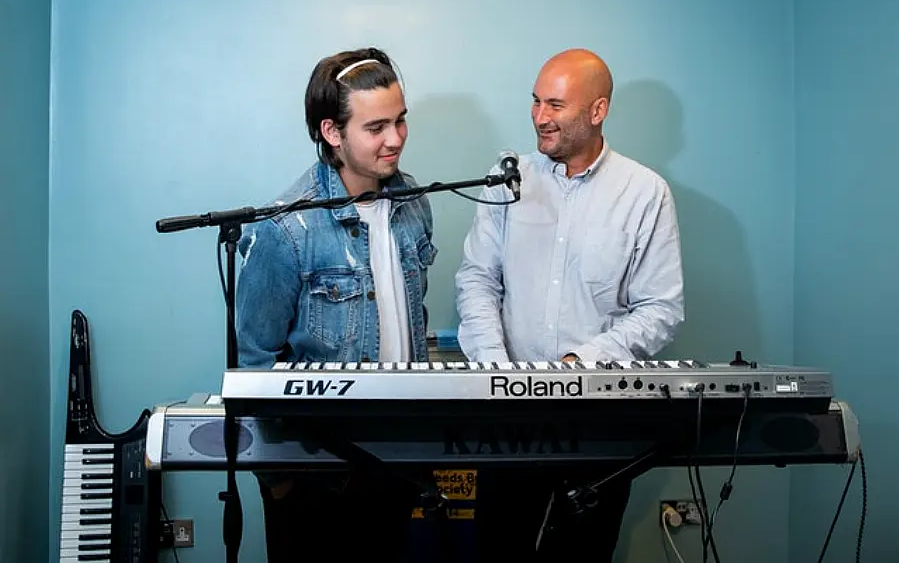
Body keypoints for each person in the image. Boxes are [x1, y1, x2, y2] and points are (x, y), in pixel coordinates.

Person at [455, 48, 685, 561]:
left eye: (555, 105)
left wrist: (575, 368)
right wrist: (498, 374)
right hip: (505, 423)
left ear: (598, 111)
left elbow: (660, 308)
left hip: (600, 425)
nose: (540, 117)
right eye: (536, 102)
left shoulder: (645, 193)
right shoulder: (507, 178)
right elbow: (477, 280)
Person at [234, 46, 438, 561]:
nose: (395, 140)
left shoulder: (413, 203)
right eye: (376, 128)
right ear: (333, 133)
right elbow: (256, 361)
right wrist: (281, 481)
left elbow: (412, 321)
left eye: (400, 121)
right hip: (316, 475)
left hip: (396, 460)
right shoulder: (285, 229)